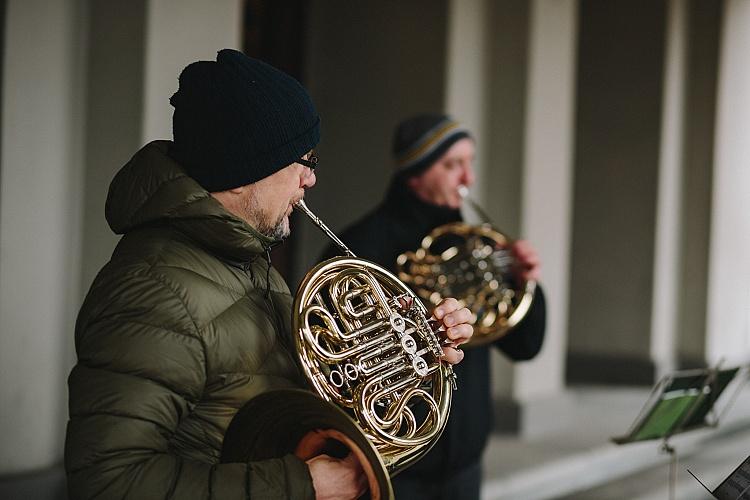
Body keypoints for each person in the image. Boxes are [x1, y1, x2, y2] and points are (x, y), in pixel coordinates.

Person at [64, 52, 473, 500]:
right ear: (240, 174)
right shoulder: (152, 291)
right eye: (304, 160)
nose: (310, 180)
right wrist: (301, 485)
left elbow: (285, 399)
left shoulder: (245, 260)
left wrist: (410, 353)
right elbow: (109, 482)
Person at [322, 114, 547, 500]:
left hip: (464, 467)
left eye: (469, 162)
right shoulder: (359, 248)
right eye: (452, 165)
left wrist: (525, 281)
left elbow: (524, 346)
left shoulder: (479, 248)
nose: (468, 179)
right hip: (395, 467)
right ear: (414, 174)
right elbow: (336, 366)